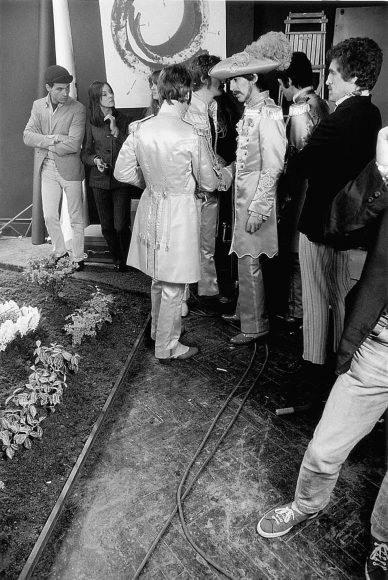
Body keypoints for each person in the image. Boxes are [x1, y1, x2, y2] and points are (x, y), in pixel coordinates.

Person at [257, 125, 388, 580]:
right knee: (324, 449)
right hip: (380, 346)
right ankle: (305, 506)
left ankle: (384, 541)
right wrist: (383, 173)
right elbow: (338, 222)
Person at [114, 64, 228, 362]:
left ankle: (157, 335)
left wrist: (150, 183)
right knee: (174, 284)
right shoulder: (191, 133)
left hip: (151, 206)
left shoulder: (139, 127)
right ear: (187, 92)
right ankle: (168, 346)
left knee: (157, 278)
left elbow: (122, 171)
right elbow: (208, 182)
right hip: (179, 212)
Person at [285, 37, 382, 385]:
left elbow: (301, 164)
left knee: (315, 297)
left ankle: (312, 367)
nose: (326, 80)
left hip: (319, 223)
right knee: (340, 295)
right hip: (349, 225)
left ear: (355, 78)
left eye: (333, 73)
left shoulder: (340, 119)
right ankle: (340, 364)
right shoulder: (371, 114)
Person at [210, 31, 290, 345]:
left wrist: (259, 207)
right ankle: (245, 312)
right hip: (242, 199)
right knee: (243, 258)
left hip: (256, 202)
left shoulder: (268, 112)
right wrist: (226, 171)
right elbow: (246, 161)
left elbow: (273, 166)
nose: (231, 88)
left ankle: (256, 325)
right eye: (229, 82)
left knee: (250, 261)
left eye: (237, 82)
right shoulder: (252, 111)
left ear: (253, 78)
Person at [276, 52, 329, 327]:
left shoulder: (298, 109)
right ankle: (308, 309)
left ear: (288, 80)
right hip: (322, 183)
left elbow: (296, 157)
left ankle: (297, 311)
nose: (282, 91)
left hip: (303, 187)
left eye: (282, 85)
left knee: (297, 251)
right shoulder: (321, 103)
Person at [23, 65, 86, 269]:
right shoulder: (38, 105)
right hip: (47, 168)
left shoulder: (78, 108)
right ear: (48, 87)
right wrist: (55, 138)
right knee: (50, 215)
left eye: (67, 88)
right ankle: (61, 253)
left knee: (76, 218)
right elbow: (27, 136)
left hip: (71, 169)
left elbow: (75, 144)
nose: (65, 93)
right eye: (59, 89)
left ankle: (78, 258)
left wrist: (45, 140)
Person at [184, 54, 231, 308]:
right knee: (200, 244)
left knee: (208, 242)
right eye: (217, 75)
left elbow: (207, 150)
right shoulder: (192, 110)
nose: (222, 80)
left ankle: (207, 290)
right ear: (204, 78)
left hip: (209, 186)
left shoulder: (209, 107)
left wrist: (219, 161)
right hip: (198, 190)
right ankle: (202, 295)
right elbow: (193, 153)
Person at [81, 81, 132, 272]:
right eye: (104, 94)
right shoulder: (91, 123)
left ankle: (126, 258)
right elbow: (84, 153)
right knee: (107, 227)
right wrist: (95, 161)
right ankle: (118, 259)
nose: (110, 96)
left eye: (110, 92)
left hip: (121, 180)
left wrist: (115, 129)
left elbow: (130, 150)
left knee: (121, 226)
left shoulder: (124, 119)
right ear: (96, 99)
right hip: (99, 181)